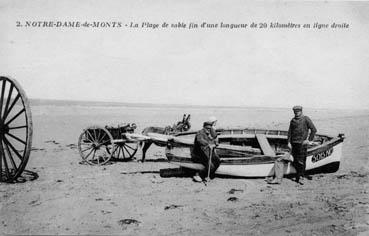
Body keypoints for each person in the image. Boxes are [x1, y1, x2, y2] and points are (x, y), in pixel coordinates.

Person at [287, 105, 317, 185]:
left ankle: (300, 177)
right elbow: (290, 132)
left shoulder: (306, 119)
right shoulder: (292, 120)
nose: (296, 113)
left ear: (301, 111)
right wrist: (289, 142)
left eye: (298, 112)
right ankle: (299, 175)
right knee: (295, 161)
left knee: (301, 161)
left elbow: (313, 130)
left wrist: (309, 140)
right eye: (295, 112)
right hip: (294, 143)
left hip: (302, 144)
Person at [191, 116, 221, 182]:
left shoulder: (209, 133)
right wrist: (208, 144)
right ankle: (199, 175)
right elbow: (200, 140)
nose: (208, 130)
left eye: (210, 128)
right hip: (199, 153)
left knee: (217, 161)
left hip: (207, 151)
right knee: (211, 166)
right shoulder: (200, 132)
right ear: (204, 127)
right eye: (207, 128)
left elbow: (214, 139)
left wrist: (215, 143)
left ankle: (209, 175)